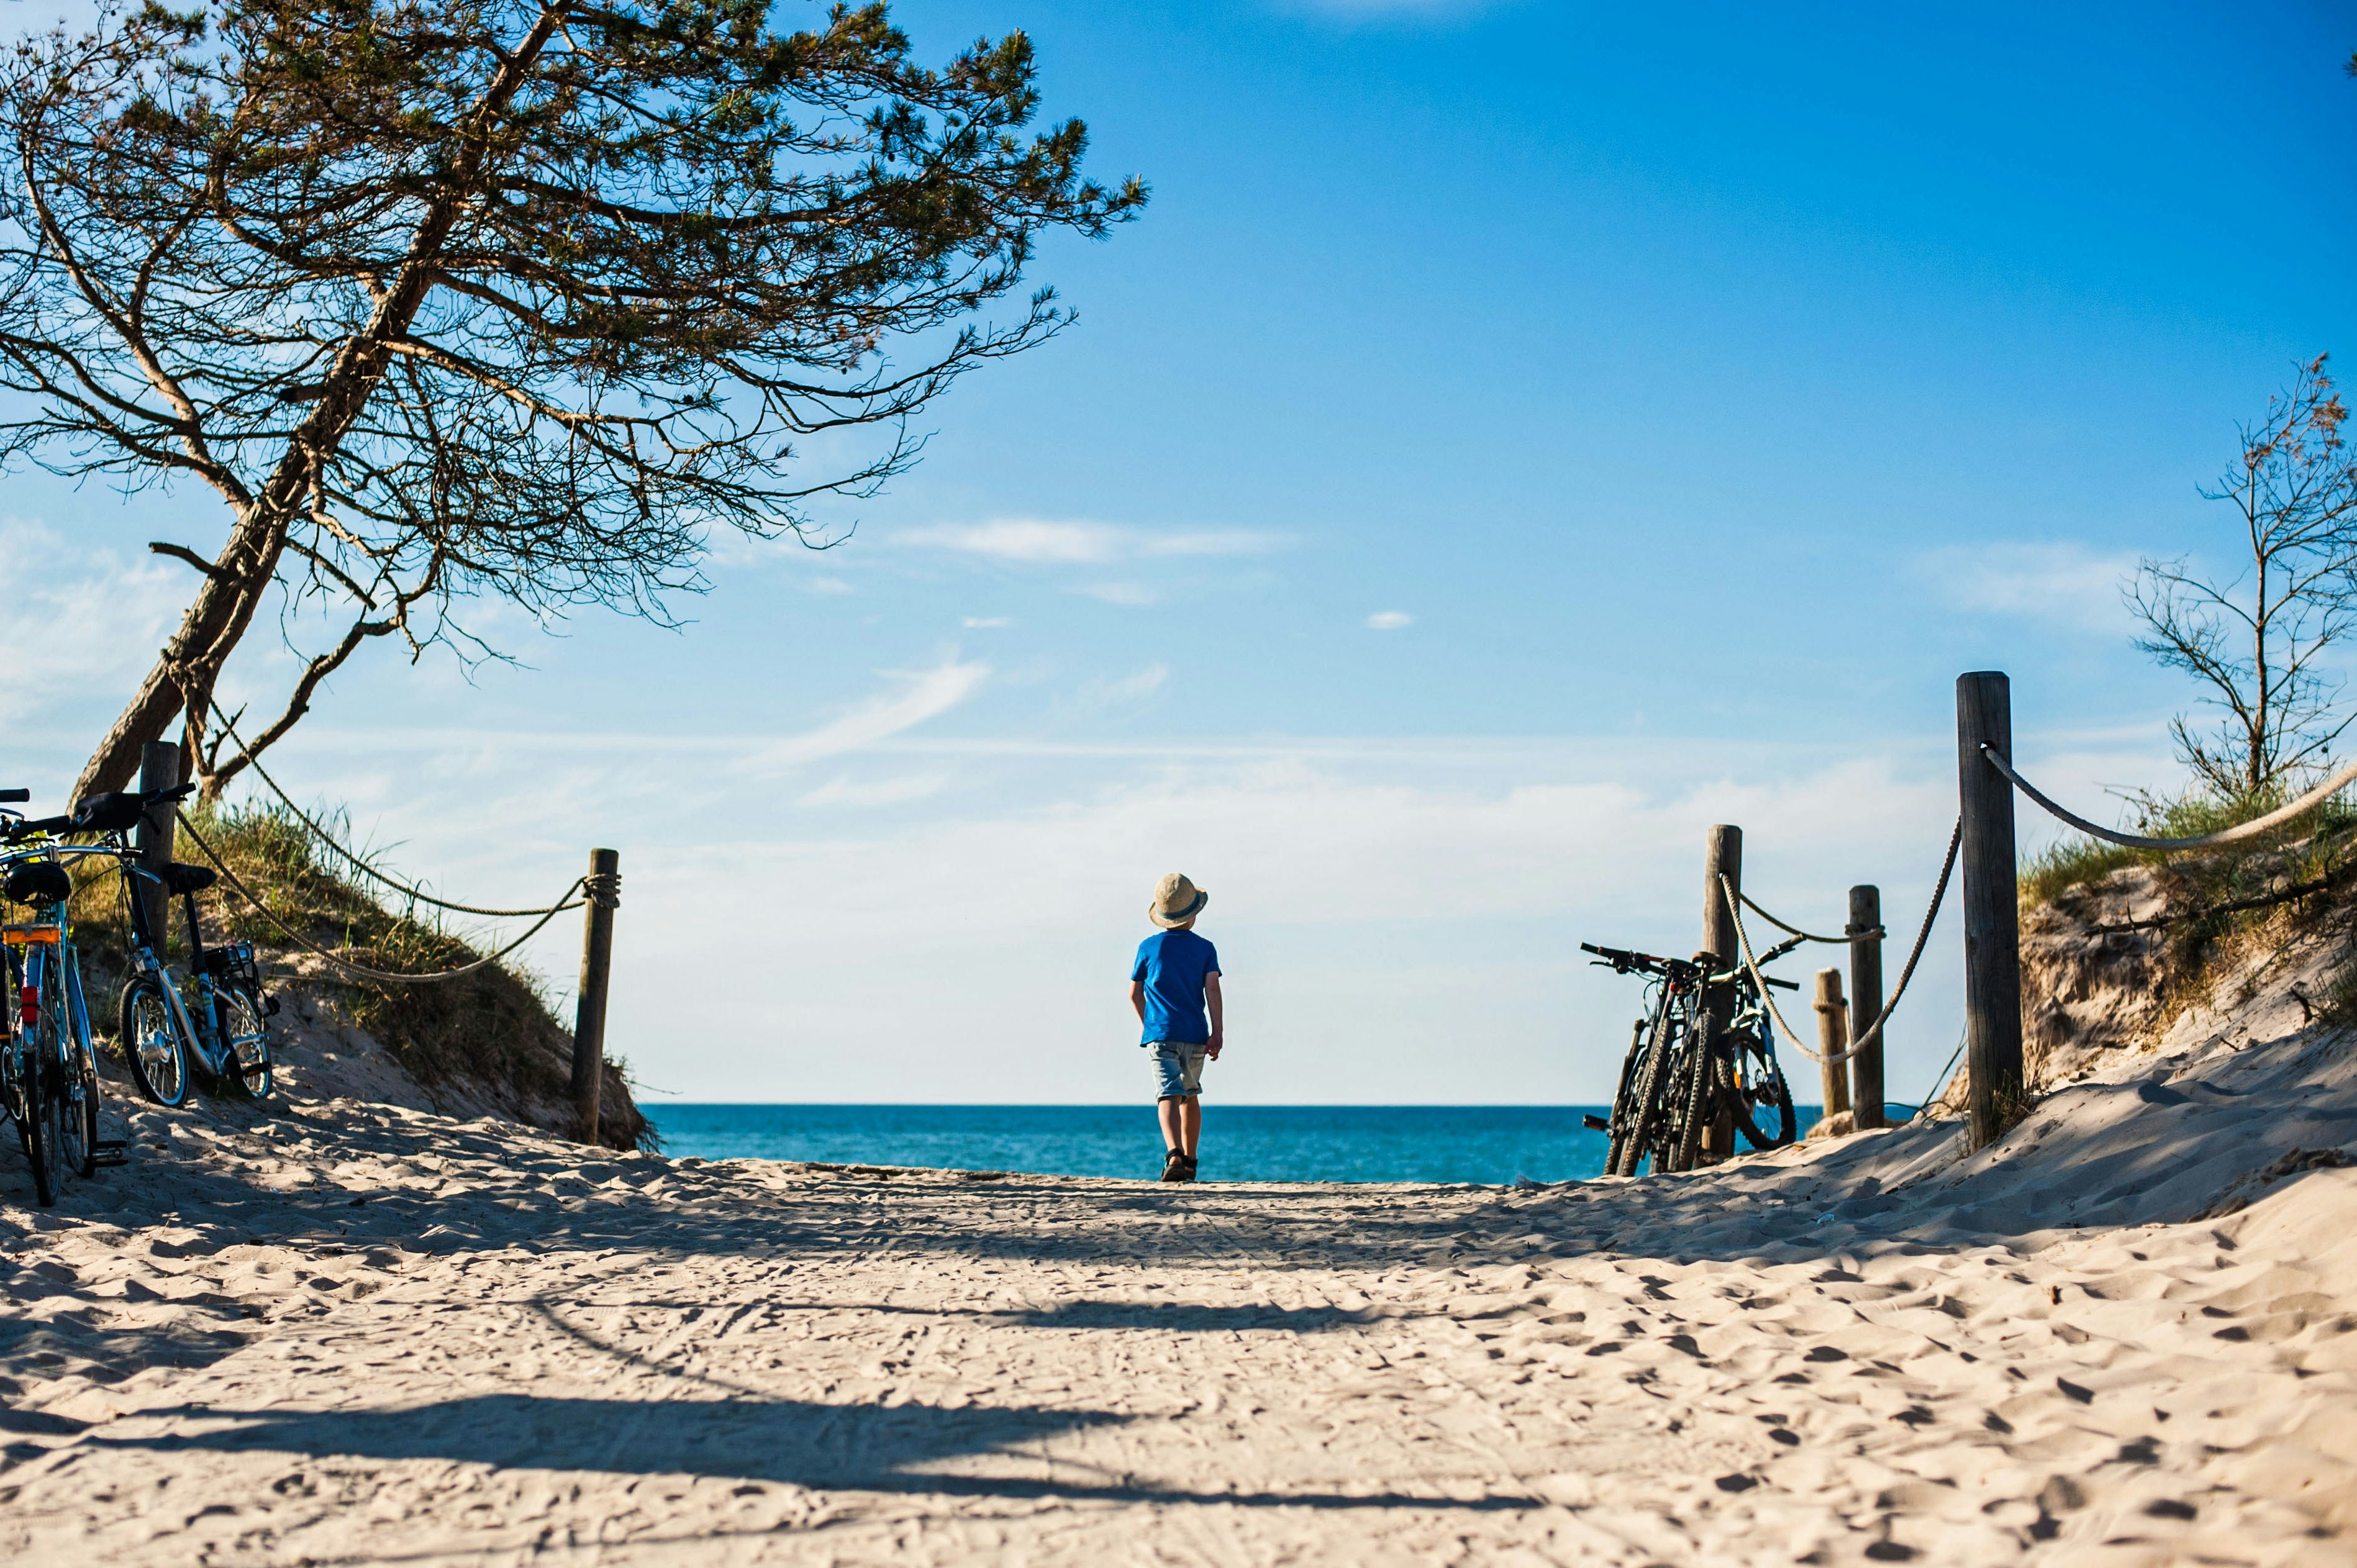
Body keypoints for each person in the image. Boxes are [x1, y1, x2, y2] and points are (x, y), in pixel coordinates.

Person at [1130, 872, 1222, 1182]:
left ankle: (1174, 1154)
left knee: (1167, 1095)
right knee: (1191, 1094)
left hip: (1161, 1034)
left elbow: (1134, 993)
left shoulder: (1148, 947)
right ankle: (1192, 1160)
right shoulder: (1205, 948)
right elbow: (1212, 991)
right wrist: (1217, 1032)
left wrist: (1150, 1024)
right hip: (1195, 1033)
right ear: (1193, 914)